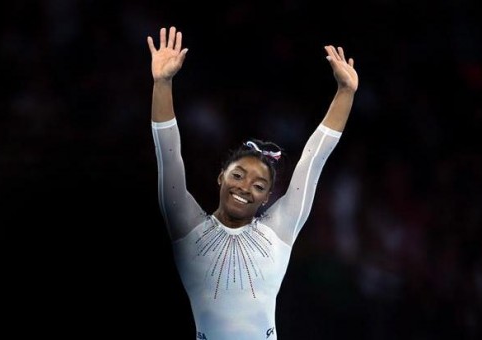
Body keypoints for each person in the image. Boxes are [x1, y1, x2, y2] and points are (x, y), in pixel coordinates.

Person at [148, 26, 358, 340]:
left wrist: (345, 93)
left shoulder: (280, 230)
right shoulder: (186, 226)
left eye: (259, 186)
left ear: (266, 198)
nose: (246, 187)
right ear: (221, 177)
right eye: (238, 175)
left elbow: (314, 159)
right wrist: (162, 83)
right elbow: (168, 156)